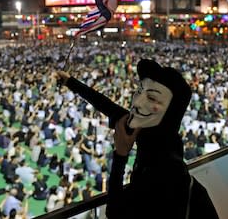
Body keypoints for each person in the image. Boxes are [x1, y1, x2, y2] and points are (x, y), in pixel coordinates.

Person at [56, 59, 219, 219]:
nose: (137, 102)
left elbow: (114, 213)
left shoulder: (164, 172)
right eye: (139, 92)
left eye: (152, 98)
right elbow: (108, 106)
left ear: (169, 114)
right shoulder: (150, 130)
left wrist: (121, 155)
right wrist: (70, 82)